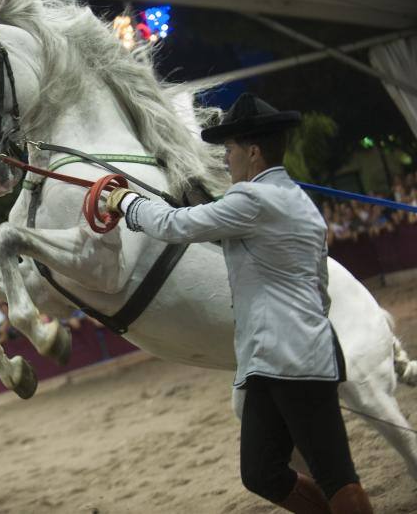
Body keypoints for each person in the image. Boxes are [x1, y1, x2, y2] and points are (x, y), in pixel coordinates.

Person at [106, 93, 372, 512]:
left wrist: (125, 202)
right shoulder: (295, 199)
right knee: (261, 472)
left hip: (293, 357)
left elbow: (175, 225)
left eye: (228, 149)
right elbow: (319, 289)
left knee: (336, 474)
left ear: (252, 151)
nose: (225, 159)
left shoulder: (252, 200)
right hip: (275, 358)